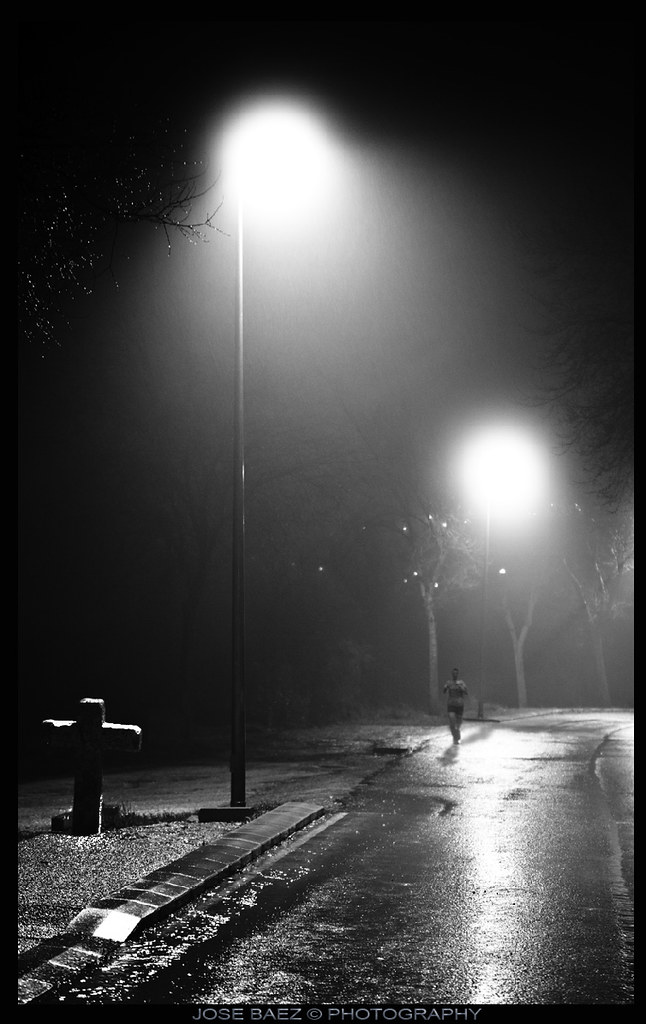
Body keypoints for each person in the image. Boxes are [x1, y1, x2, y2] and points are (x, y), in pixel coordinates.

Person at [443, 667, 468, 744]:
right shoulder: (448, 682)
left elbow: (466, 692)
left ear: (458, 674)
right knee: (452, 722)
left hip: (460, 705)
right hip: (451, 704)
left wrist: (461, 688)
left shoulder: (461, 682)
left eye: (456, 673)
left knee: (458, 723)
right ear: (452, 674)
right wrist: (445, 687)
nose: (455, 674)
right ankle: (455, 736)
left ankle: (457, 733)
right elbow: (444, 691)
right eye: (453, 673)